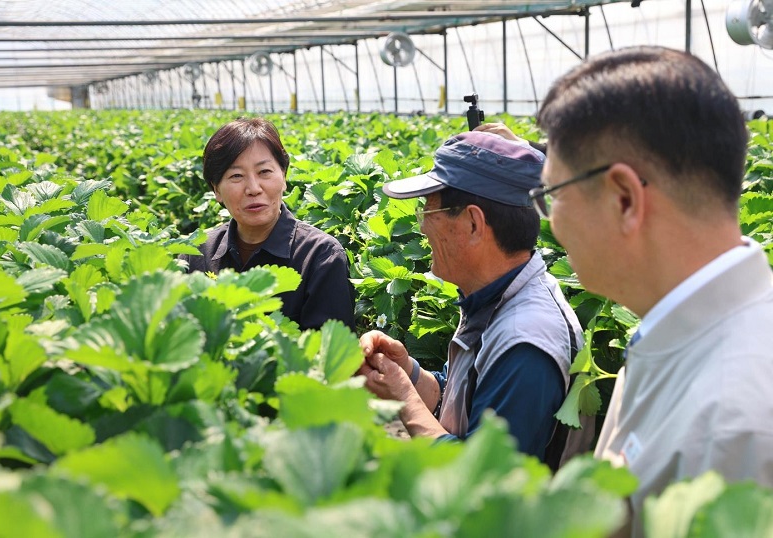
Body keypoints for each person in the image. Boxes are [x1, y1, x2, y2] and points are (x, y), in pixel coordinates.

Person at [533, 46, 773, 535]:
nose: (551, 223)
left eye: (552, 196)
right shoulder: (680, 329)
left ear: (624, 198)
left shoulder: (732, 428)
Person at [357, 130, 583, 464]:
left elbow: (484, 479)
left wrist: (403, 396)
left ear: (473, 223)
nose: (421, 228)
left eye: (428, 212)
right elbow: (459, 400)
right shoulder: (497, 296)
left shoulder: (525, 343)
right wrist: (405, 370)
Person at [179, 117, 355, 331]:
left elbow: (331, 357)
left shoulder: (321, 256)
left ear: (284, 177)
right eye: (236, 176)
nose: (253, 188)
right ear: (216, 190)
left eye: (264, 172)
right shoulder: (196, 253)